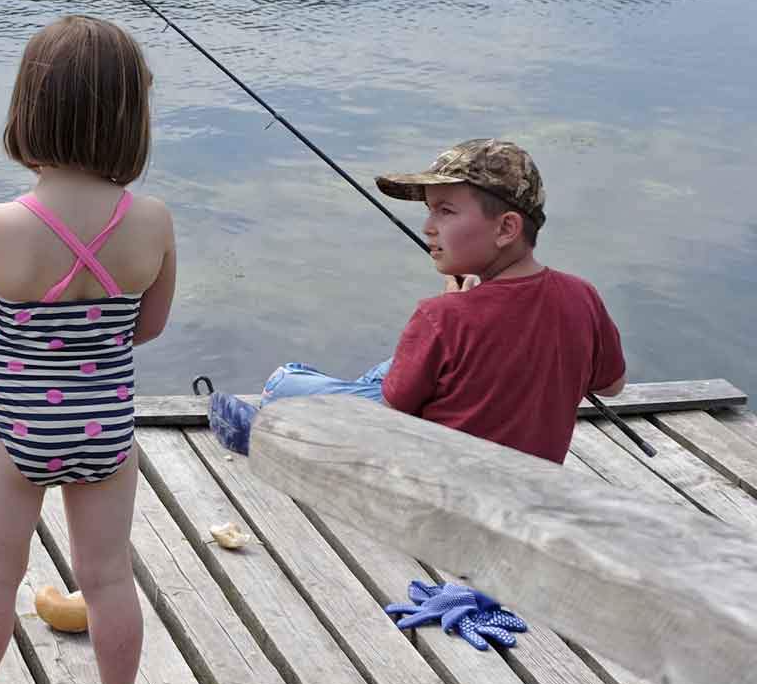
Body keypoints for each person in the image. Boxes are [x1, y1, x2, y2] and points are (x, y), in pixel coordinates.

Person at [0, 17, 176, 684]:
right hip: (106, 431)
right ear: (131, 119)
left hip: (17, 429)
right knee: (108, 576)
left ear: (29, 107)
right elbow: (145, 327)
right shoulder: (151, 222)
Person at [207, 138, 626, 465]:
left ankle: (272, 422)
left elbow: (387, 417)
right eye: (429, 211)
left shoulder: (441, 316)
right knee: (392, 371)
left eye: (445, 212)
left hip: (439, 491)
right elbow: (611, 385)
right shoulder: (582, 296)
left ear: (506, 228)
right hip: (529, 488)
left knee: (286, 382)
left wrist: (459, 311)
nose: (428, 227)